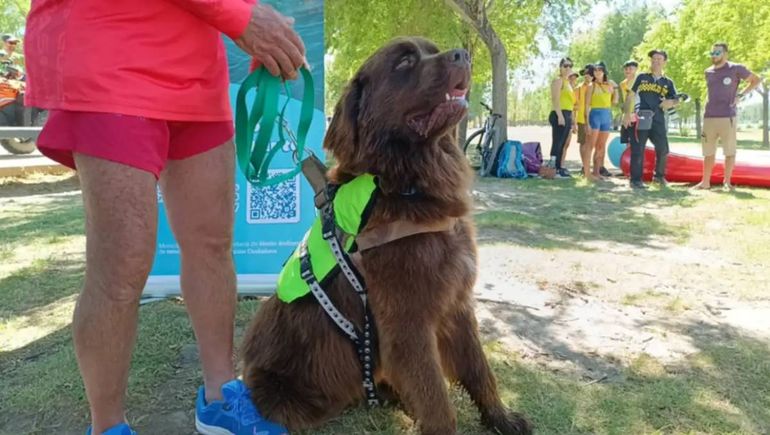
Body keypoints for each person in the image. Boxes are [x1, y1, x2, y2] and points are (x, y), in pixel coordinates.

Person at [24, 1, 306, 434]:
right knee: (121, 264)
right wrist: (242, 19)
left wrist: (253, 25)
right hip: (112, 54)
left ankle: (220, 396)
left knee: (212, 244)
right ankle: (108, 426)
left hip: (197, 74)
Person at [694, 42, 761, 191]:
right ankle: (705, 182)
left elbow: (756, 80)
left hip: (728, 116)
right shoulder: (708, 72)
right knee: (708, 152)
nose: (714, 55)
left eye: (717, 53)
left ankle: (727, 183)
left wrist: (741, 95)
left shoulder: (736, 68)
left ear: (725, 54)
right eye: (712, 53)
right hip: (709, 116)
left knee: (729, 151)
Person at [623, 49, 681, 189]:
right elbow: (631, 95)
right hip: (641, 117)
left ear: (664, 62)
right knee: (638, 149)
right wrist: (626, 115)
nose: (656, 61)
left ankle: (659, 177)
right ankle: (636, 180)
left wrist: (671, 103)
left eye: (659, 59)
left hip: (658, 119)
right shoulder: (642, 77)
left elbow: (676, 99)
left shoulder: (668, 82)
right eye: (653, 59)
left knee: (663, 148)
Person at [584, 62, 617, 180]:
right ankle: (587, 174)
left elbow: (614, 102)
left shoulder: (608, 85)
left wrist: (615, 88)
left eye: (600, 70)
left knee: (601, 146)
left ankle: (596, 172)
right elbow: (587, 105)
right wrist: (587, 122)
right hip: (595, 115)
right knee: (590, 145)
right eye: (595, 70)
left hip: (606, 115)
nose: (597, 72)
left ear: (604, 72)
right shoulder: (591, 86)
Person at [548, 57, 575, 178]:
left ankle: (559, 167)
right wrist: (559, 115)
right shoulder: (558, 81)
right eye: (565, 66)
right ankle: (552, 166)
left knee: (563, 142)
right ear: (560, 67)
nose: (568, 68)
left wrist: (572, 119)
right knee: (557, 141)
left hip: (568, 114)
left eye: (570, 66)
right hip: (559, 113)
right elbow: (555, 99)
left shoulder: (569, 83)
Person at [574, 64, 593, 174]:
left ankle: (594, 166)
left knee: (592, 143)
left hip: (594, 118)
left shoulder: (595, 86)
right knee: (583, 143)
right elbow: (574, 105)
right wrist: (573, 122)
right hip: (582, 119)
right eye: (585, 74)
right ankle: (584, 166)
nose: (587, 76)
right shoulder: (579, 88)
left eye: (589, 74)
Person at [560, 71, 579, 166]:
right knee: (562, 143)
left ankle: (561, 164)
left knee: (566, 144)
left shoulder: (574, 91)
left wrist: (575, 124)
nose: (573, 79)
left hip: (571, 119)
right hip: (564, 116)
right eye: (571, 77)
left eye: (575, 77)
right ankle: (559, 165)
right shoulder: (564, 88)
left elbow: (574, 109)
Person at [618, 60, 638, 149]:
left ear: (636, 69)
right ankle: (628, 160)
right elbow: (622, 101)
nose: (628, 71)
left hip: (636, 115)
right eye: (626, 69)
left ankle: (635, 161)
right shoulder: (622, 84)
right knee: (627, 141)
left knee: (636, 141)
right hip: (626, 115)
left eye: (630, 69)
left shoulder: (640, 82)